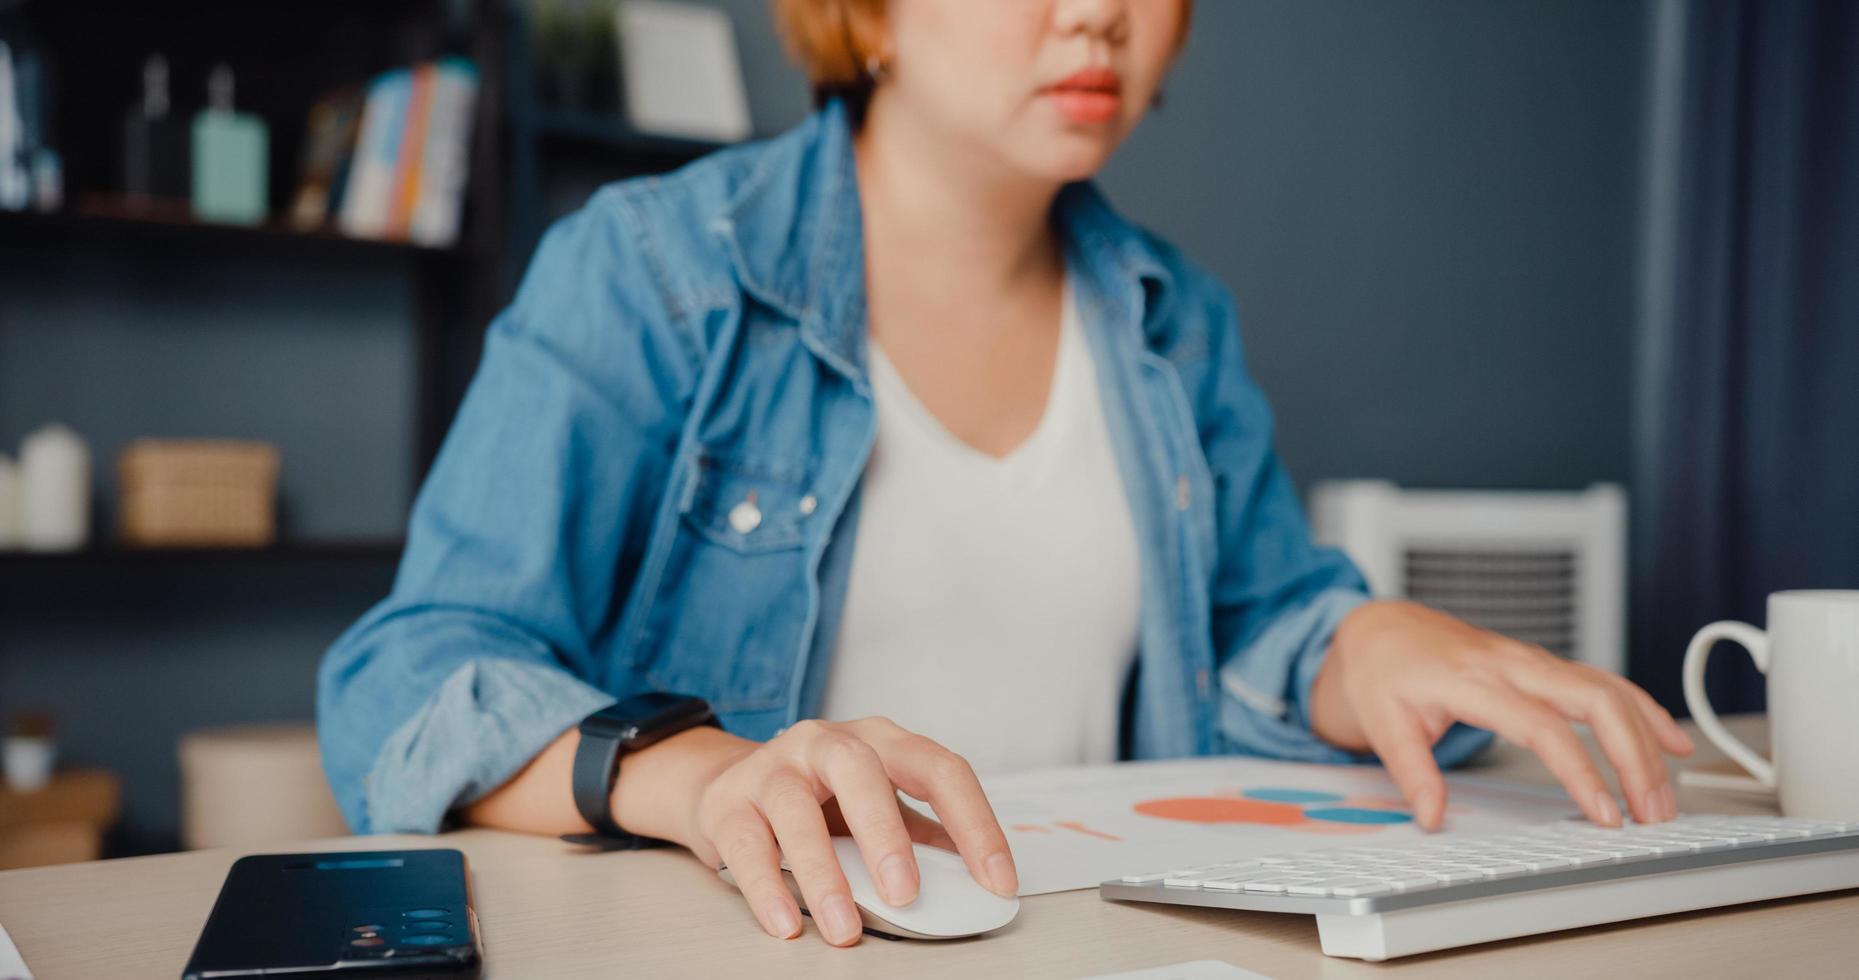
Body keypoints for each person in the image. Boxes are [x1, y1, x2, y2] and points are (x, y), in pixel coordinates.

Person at [318, 0, 1694, 948]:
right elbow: (408, 675)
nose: (1099, 13)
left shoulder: (1173, 318)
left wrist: (1363, 639)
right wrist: (696, 775)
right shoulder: (652, 273)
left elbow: (1251, 632)